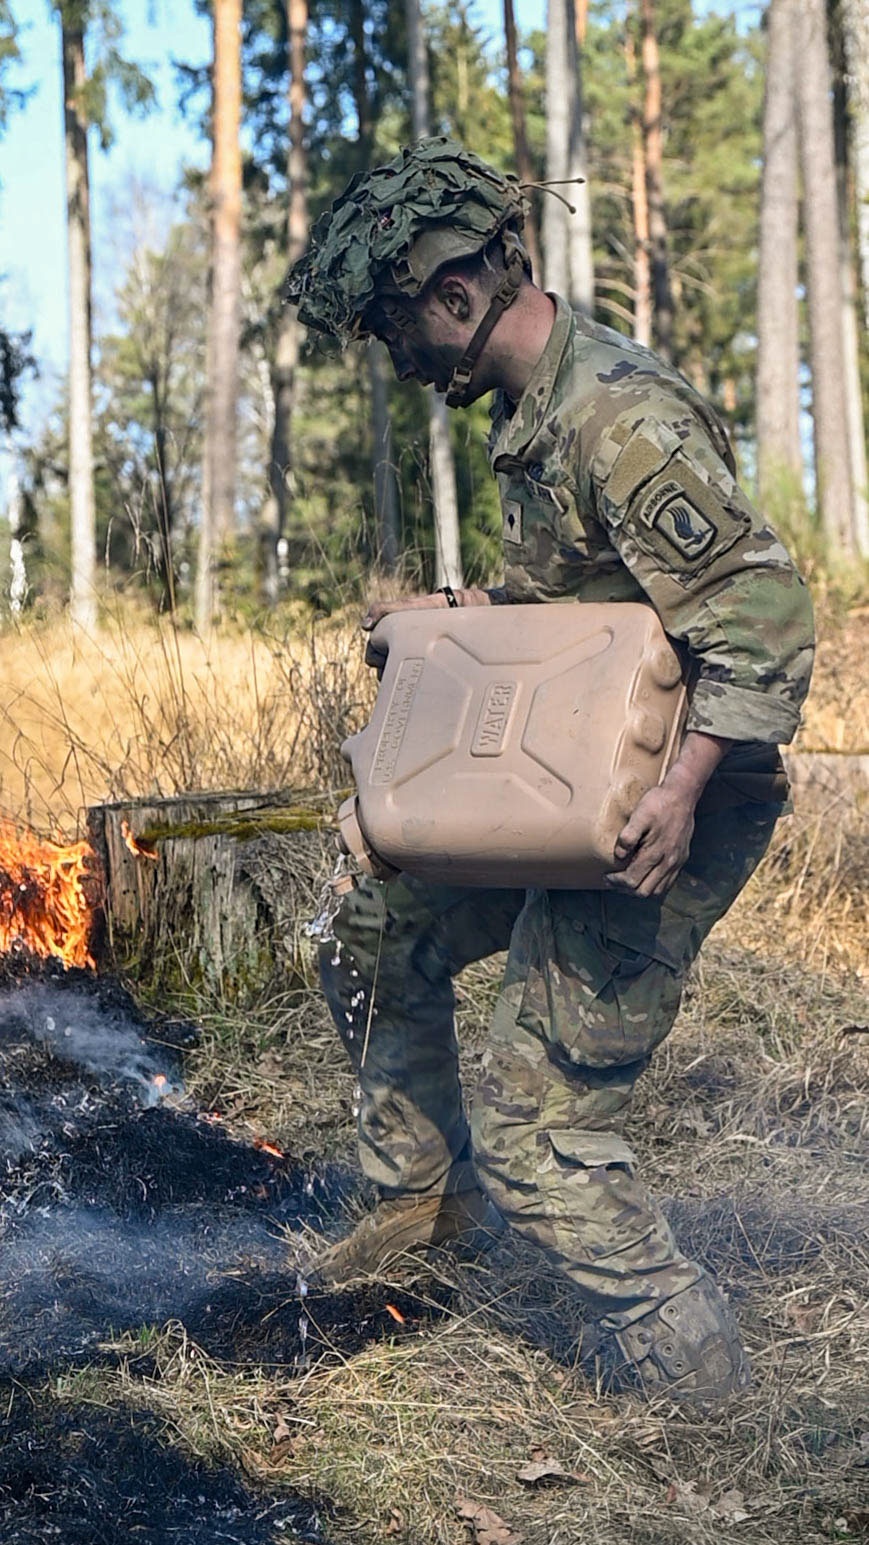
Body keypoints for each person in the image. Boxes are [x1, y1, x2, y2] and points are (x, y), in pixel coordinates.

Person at [284, 137, 814, 1403]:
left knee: (539, 1124)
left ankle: (698, 1389)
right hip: (573, 789)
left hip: (674, 808)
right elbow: (574, 612)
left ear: (453, 300)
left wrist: (680, 793)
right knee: (372, 936)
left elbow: (764, 616)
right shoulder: (538, 414)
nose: (397, 361)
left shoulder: (618, 418)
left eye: (395, 331)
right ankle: (421, 1215)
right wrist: (447, 618)